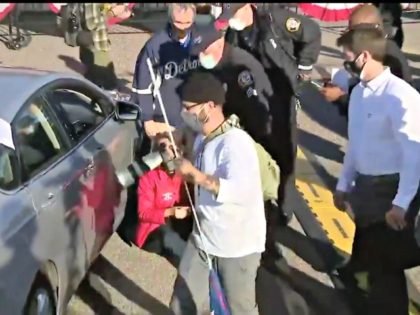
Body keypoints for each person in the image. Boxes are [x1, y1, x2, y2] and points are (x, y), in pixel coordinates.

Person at [333, 27, 420, 315]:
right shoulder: (358, 93)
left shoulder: (401, 96)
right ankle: (357, 281)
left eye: (347, 58)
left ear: (365, 56)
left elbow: (413, 155)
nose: (344, 64)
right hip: (367, 190)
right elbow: (355, 144)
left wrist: (401, 204)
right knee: (368, 247)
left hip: (391, 190)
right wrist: (344, 184)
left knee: (388, 267)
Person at [214, 3, 322, 230]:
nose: (231, 20)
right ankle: (260, 203)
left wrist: (304, 68)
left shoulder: (276, 21)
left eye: (233, 13)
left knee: (285, 156)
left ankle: (285, 206)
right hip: (254, 104)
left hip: (281, 100)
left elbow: (311, 31)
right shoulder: (235, 35)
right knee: (257, 156)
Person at [170, 71, 266, 315]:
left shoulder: (236, 143)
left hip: (236, 248)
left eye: (189, 108)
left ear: (210, 106)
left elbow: (238, 190)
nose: (185, 114)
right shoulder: (204, 138)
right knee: (182, 305)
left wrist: (196, 176)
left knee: (240, 309)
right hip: (203, 238)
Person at [189, 22, 284, 268]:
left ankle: (268, 250)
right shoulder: (215, 64)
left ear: (219, 43)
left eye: (204, 50)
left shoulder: (242, 68)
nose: (200, 56)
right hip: (227, 134)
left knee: (254, 197)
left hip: (253, 137)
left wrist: (248, 142)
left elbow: (263, 111)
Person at [321, 4, 412, 119]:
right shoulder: (369, 49)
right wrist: (340, 84)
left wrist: (340, 97)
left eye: (353, 31)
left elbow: (378, 105)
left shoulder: (389, 56)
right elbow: (362, 81)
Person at [131, 3, 199, 147]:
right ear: (170, 19)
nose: (183, 27)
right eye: (178, 22)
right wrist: (147, 119)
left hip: (194, 118)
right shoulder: (154, 46)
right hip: (165, 121)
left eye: (188, 23)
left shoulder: (199, 41)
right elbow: (142, 86)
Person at [136, 132, 192, 266]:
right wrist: (171, 212)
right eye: (163, 147)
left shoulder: (184, 173)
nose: (169, 151)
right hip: (155, 230)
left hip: (179, 223)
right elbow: (143, 214)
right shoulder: (149, 178)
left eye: (173, 147)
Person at [79, 3, 132, 92]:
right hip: (95, 44)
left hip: (88, 43)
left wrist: (110, 8)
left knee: (92, 76)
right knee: (107, 80)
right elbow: (91, 23)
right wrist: (112, 13)